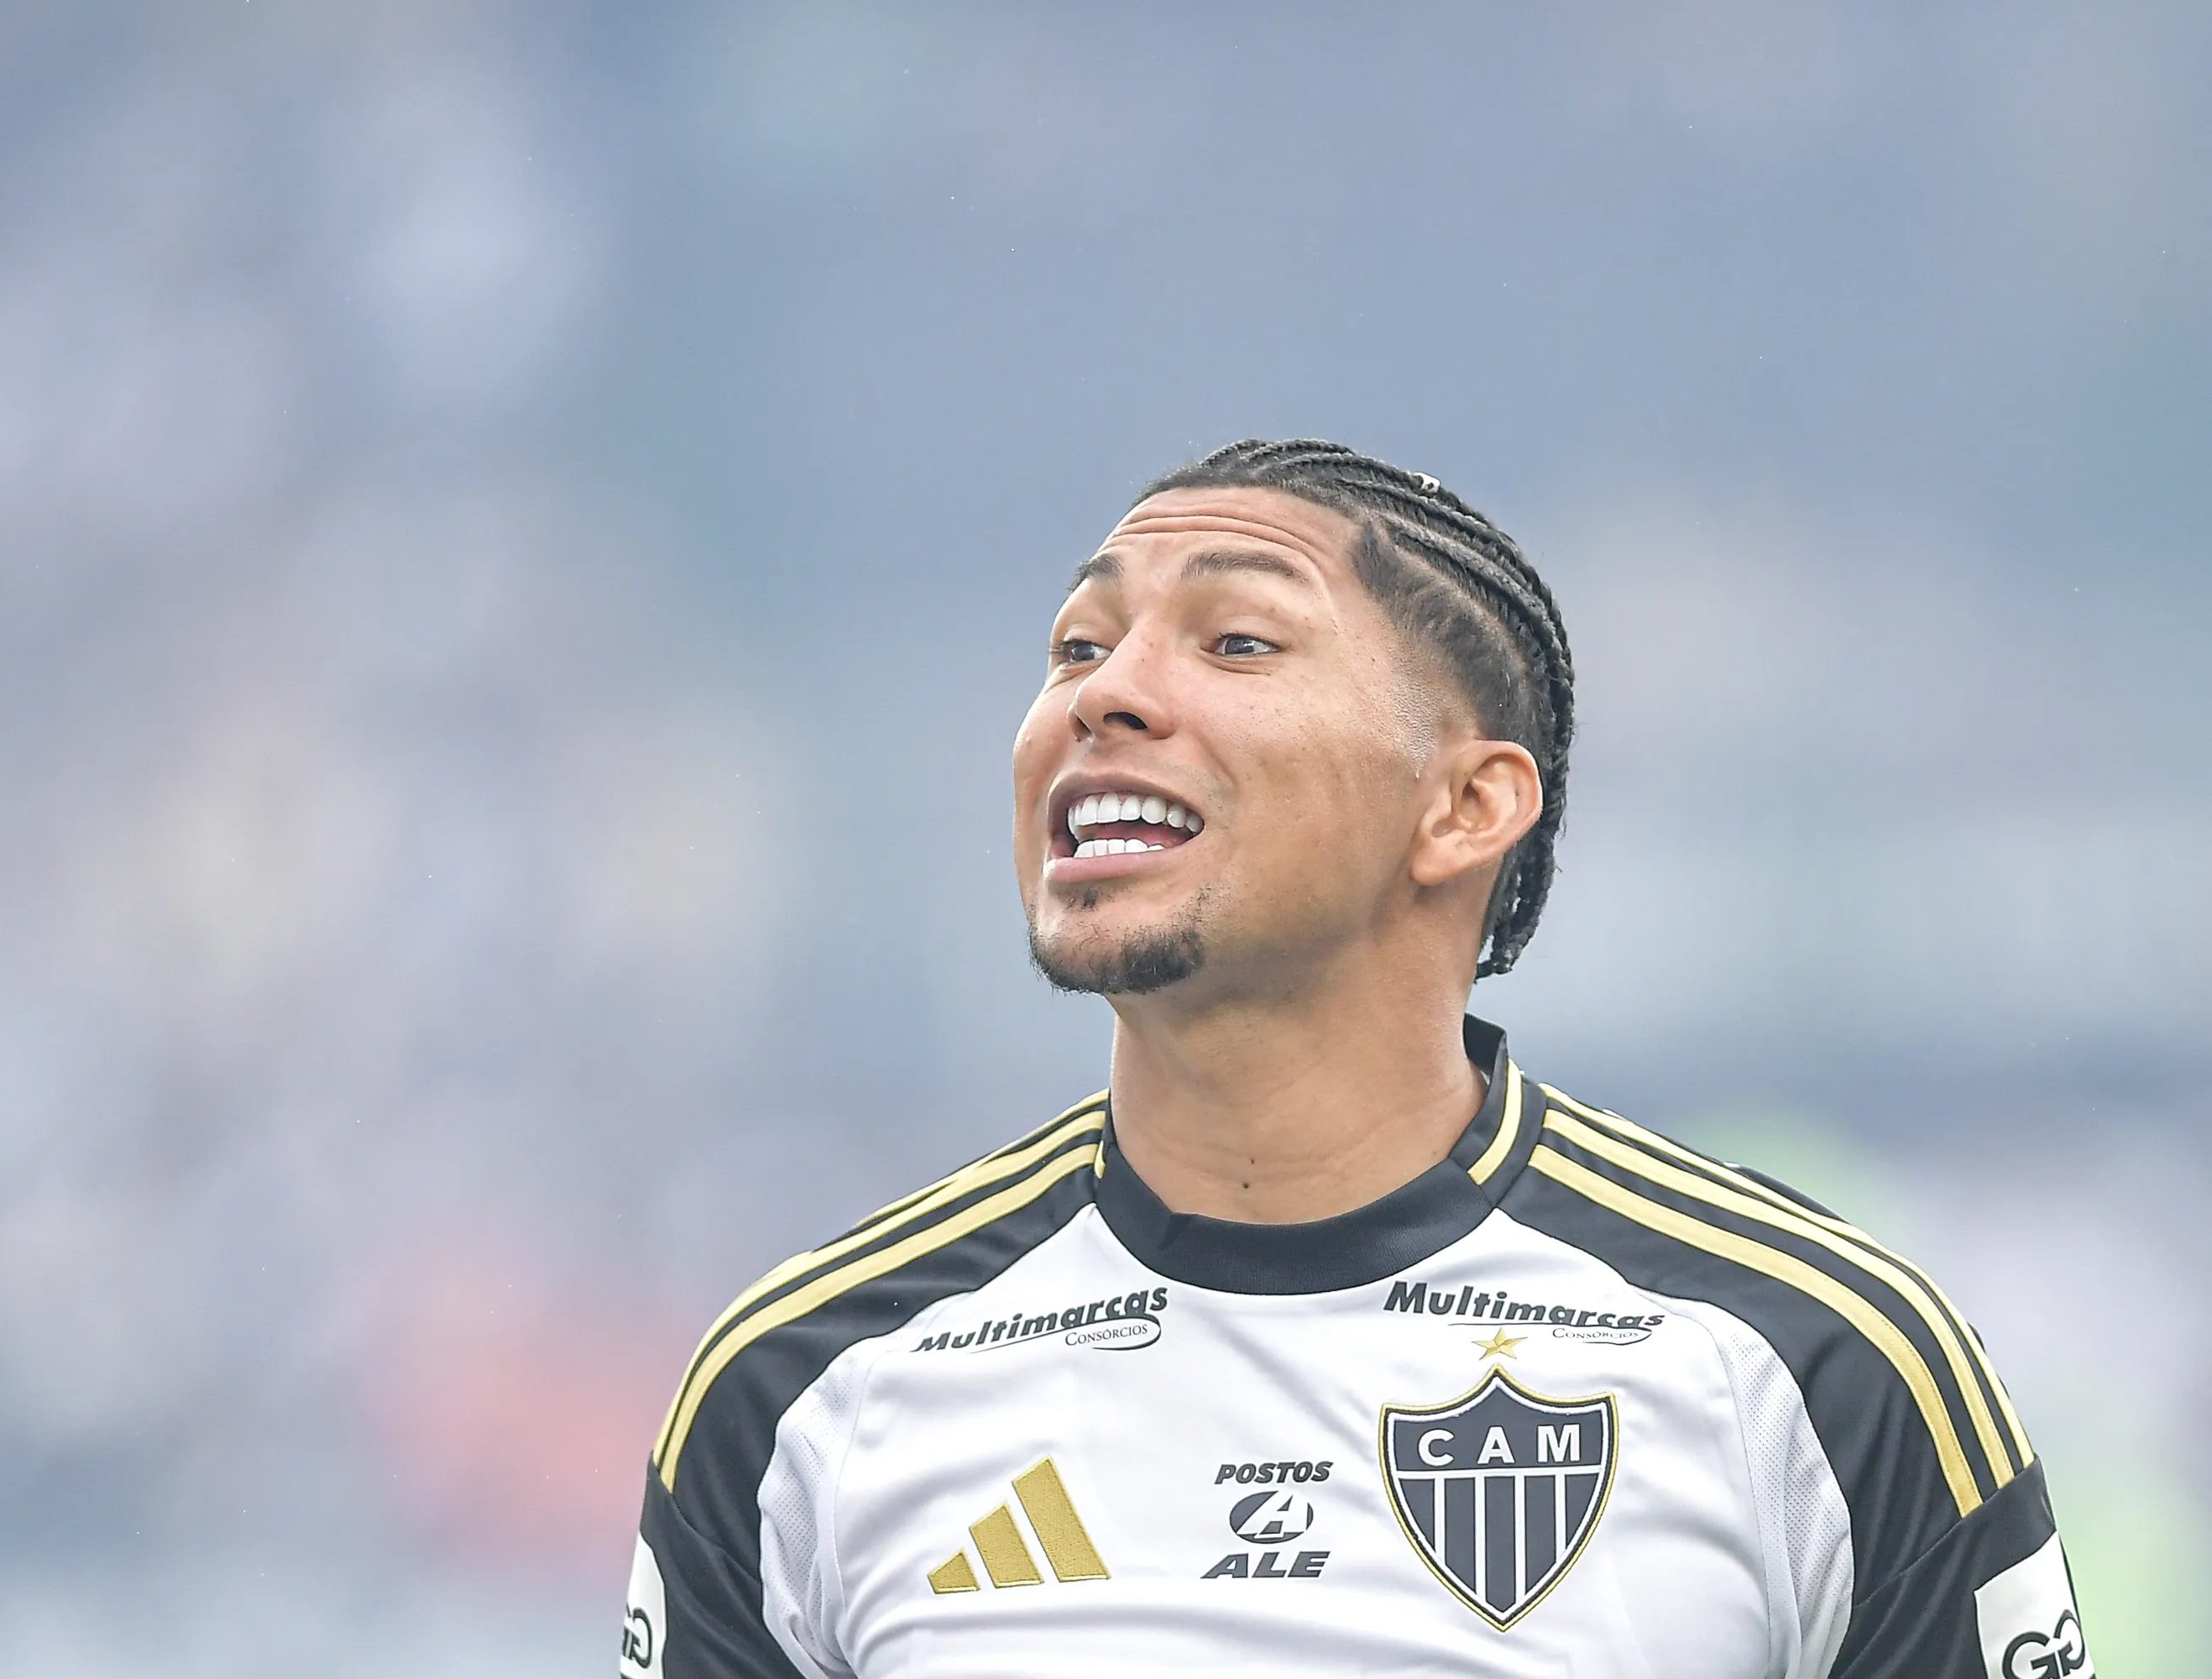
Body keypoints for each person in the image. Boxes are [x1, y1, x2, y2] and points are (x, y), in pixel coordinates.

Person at [620, 440, 2084, 1678]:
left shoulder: (1813, 1368)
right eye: (1076, 648)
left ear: (1461, 807)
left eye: (1237, 642)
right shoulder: (802, 1388)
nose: (1100, 696)